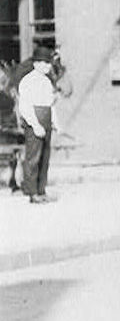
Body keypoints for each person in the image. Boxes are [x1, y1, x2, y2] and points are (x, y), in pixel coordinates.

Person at [17, 45, 57, 204]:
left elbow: (50, 105)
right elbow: (25, 106)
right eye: (44, 63)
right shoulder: (28, 81)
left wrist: (55, 122)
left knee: (45, 158)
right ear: (35, 64)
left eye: (49, 63)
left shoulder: (47, 82)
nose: (47, 66)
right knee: (33, 157)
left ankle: (41, 189)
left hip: (46, 119)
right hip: (34, 120)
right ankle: (32, 192)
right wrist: (35, 125)